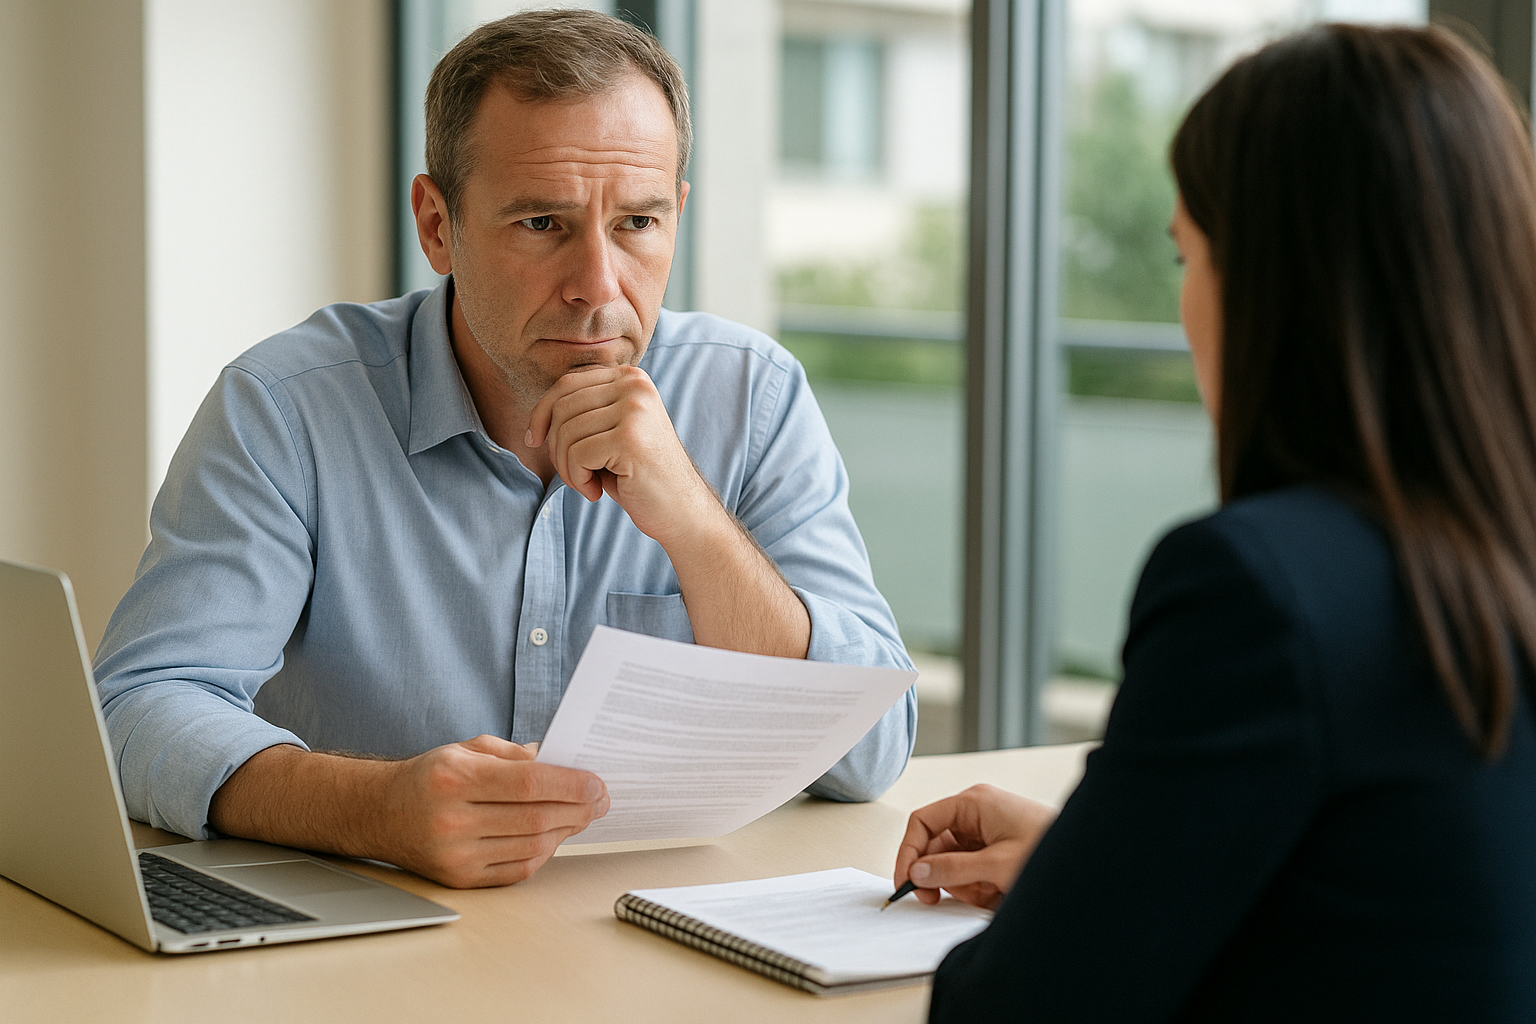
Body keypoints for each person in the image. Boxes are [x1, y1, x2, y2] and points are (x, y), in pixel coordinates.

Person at [94, 9, 915, 890]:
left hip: (660, 932)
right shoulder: (286, 410)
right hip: (374, 939)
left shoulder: (752, 396)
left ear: (678, 211)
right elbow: (137, 709)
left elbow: (870, 750)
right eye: (541, 225)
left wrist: (700, 530)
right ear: (438, 224)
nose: (598, 287)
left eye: (637, 223)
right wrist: (371, 807)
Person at [894, 23, 1536, 1022]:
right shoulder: (1495, 555)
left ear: (1277, 286)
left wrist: (1077, 907)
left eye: (1187, 253)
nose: (1184, 305)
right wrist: (1094, 862)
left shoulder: (1261, 590)